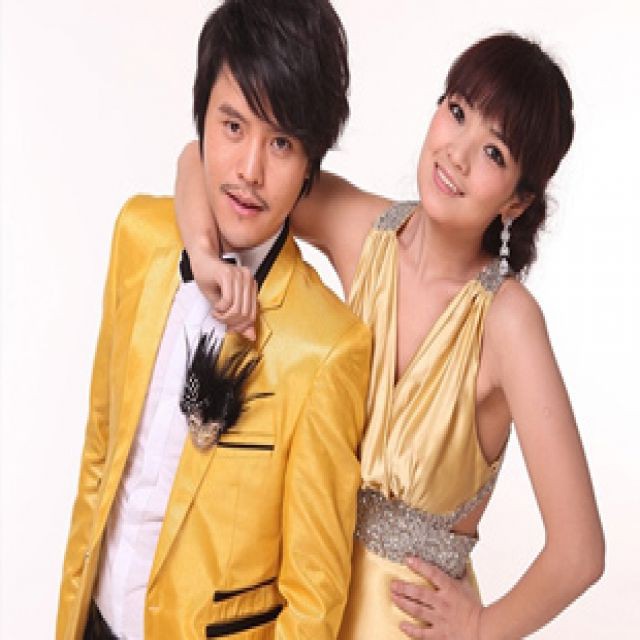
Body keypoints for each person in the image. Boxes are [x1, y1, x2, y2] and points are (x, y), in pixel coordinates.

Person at [175, 32, 605, 639]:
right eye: (457, 112)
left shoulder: (509, 322)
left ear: (517, 201)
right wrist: (203, 255)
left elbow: (580, 552)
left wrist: (481, 628)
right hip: (300, 600)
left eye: (494, 152)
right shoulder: (363, 231)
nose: (457, 154)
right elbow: (202, 161)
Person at [56, 2, 372, 639]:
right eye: (233, 126)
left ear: (310, 164)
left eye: (281, 143)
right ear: (201, 118)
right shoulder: (139, 236)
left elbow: (313, 598)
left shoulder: (327, 348)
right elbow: (101, 451)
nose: (249, 171)